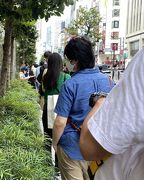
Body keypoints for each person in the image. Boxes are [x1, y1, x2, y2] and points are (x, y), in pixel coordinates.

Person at [52, 37, 114, 180]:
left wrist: (55, 144)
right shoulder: (110, 82)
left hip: (71, 148)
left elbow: (60, 122)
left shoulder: (70, 84)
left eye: (68, 58)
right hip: (100, 149)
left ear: (75, 60)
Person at [80, 48, 144, 180]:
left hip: (82, 146)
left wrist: (100, 103)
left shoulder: (70, 84)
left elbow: (89, 146)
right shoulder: (107, 80)